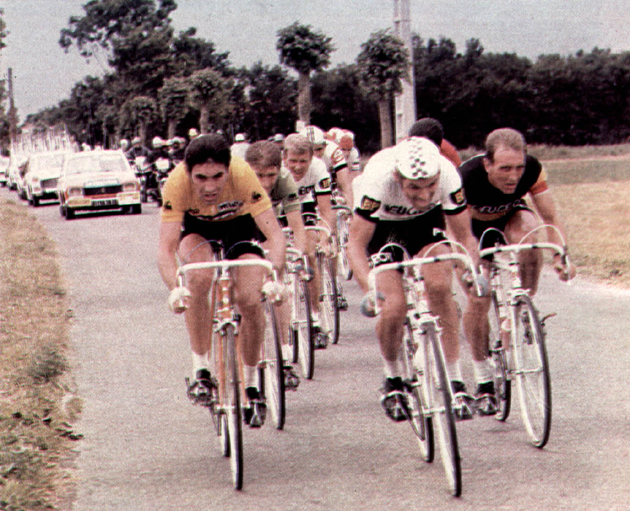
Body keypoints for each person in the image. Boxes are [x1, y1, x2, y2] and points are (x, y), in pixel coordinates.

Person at [347, 136, 479, 422]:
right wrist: (369, 289)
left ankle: (455, 381)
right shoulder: (378, 181)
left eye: (431, 185)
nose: (424, 195)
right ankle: (392, 377)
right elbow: (355, 245)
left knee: (441, 286)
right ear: (398, 177)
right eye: (414, 188)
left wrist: (470, 270)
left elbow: (464, 236)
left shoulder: (447, 175)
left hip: (424, 227)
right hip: (383, 231)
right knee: (393, 306)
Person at [157, 134, 286, 428]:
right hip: (197, 230)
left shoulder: (243, 175)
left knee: (250, 299)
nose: (210, 186)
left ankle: (252, 385)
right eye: (200, 178)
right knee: (199, 276)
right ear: (188, 172)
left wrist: (274, 274)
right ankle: (201, 370)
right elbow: (165, 249)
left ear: (229, 170)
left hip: (240, 228)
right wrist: (175, 289)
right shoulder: (176, 184)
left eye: (217, 176)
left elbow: (275, 236)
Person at [458, 127, 575, 415]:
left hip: (510, 218)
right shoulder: (464, 178)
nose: (513, 176)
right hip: (469, 230)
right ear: (487, 164)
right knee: (478, 299)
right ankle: (484, 380)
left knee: (532, 231)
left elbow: (550, 216)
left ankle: (524, 301)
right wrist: (470, 264)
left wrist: (561, 254)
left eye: (518, 167)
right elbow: (456, 231)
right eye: (505, 168)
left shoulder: (533, 170)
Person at [245, 140, 306, 389]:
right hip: (240, 227)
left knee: (278, 284)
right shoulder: (236, 180)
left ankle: (285, 354)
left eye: (271, 175)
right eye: (259, 175)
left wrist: (300, 254)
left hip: (270, 227)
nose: (267, 182)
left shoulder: (285, 180)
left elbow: (297, 224)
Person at [282, 133, 335, 348]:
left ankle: (314, 320)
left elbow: (325, 209)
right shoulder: (276, 170)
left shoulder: (319, 169)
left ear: (312, 158)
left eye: (303, 161)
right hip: (279, 209)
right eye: (293, 161)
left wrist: (325, 237)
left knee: (310, 255)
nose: (297, 166)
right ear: (284, 157)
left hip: (304, 208)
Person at [300, 125, 353, 207]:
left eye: (319, 149)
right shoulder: (293, 155)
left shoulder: (333, 150)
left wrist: (350, 210)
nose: (315, 155)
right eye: (310, 151)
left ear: (325, 145)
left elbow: (345, 184)